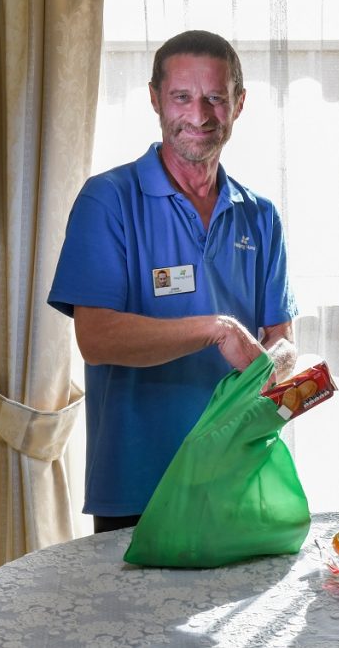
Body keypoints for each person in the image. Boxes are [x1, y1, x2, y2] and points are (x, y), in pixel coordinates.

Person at [48, 30, 298, 533]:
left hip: (239, 476)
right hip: (140, 483)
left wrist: (275, 367)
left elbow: (284, 339)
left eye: (216, 98)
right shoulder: (109, 201)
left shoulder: (261, 215)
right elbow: (95, 339)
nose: (200, 115)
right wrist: (219, 329)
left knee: (252, 615)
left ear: (239, 104)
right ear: (155, 98)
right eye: (183, 96)